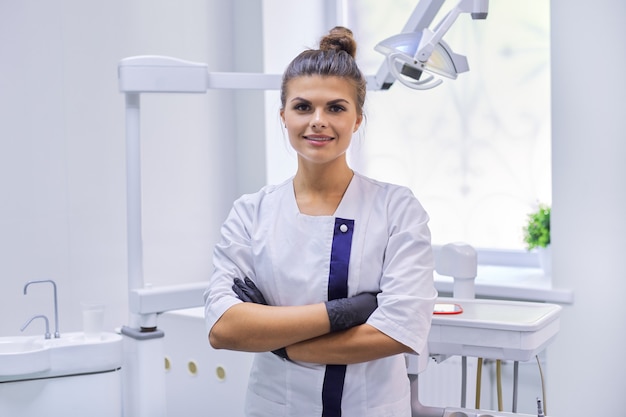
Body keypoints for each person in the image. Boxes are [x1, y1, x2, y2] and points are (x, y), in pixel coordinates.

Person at [204, 26, 437, 417]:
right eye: (302, 107)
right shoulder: (252, 212)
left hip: (371, 407)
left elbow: (399, 330)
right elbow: (223, 328)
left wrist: (283, 344)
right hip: (277, 407)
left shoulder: (397, 208)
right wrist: (345, 313)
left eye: (335, 107)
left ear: (358, 118)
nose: (318, 120)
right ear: (283, 116)